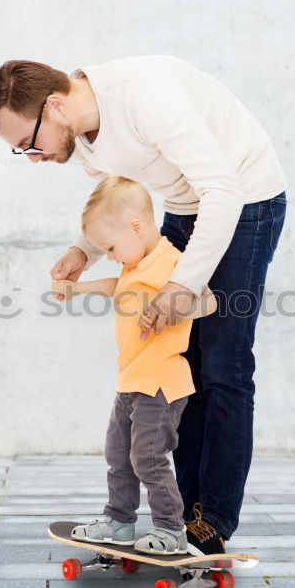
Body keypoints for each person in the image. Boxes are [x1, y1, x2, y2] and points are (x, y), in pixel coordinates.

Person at [0, 55, 287, 553]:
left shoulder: (143, 98)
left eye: (27, 144)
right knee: (178, 362)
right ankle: (179, 518)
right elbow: (119, 208)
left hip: (245, 201)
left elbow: (224, 190)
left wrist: (184, 283)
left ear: (54, 105)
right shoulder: (80, 138)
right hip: (187, 207)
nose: (33, 158)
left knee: (224, 364)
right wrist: (84, 250)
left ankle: (212, 521)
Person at [51, 176, 216, 555]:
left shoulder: (171, 262)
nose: (108, 254)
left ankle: (172, 530)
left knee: (148, 457)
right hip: (130, 382)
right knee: (118, 454)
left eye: (110, 246)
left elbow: (207, 302)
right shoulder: (135, 263)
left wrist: (174, 307)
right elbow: (116, 287)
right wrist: (78, 289)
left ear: (136, 228)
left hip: (160, 385)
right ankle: (120, 521)